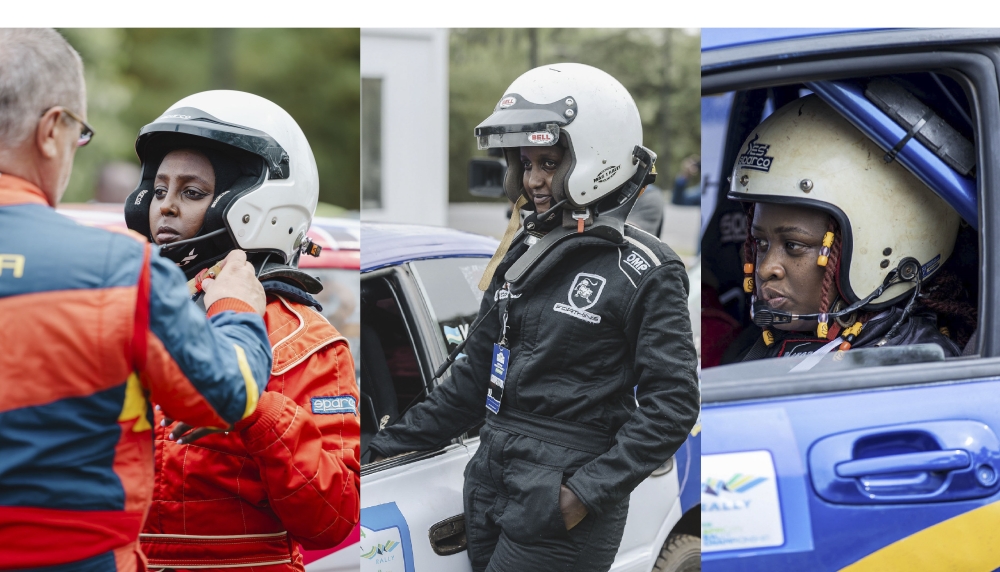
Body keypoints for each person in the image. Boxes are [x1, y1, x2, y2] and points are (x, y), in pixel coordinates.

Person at [368, 63, 699, 572]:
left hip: (563, 493)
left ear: (595, 157)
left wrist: (582, 494)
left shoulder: (645, 270)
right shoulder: (525, 251)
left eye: (548, 162)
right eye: (525, 164)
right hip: (490, 476)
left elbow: (673, 405)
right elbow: (471, 381)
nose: (534, 180)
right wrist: (376, 450)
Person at [0, 29, 272, 571]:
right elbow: (226, 395)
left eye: (191, 192)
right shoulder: (118, 270)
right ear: (53, 130)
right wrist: (236, 309)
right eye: (80, 134)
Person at [124, 91, 360, 571]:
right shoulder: (122, 310)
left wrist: (255, 412)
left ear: (260, 208)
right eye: (160, 189)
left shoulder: (302, 343)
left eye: (191, 192)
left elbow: (331, 520)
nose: (164, 207)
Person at [721, 95, 975, 363]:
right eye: (761, 244)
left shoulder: (910, 363)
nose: (765, 269)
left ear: (879, 250)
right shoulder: (754, 345)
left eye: (793, 246)